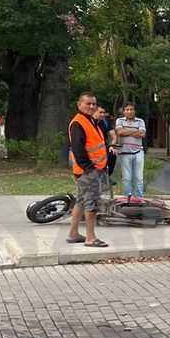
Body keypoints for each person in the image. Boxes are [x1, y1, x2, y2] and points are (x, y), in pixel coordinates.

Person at [65, 92, 110, 248]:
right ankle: (90, 238)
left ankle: (73, 234)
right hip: (87, 171)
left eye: (94, 104)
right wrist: (90, 170)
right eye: (88, 103)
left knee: (81, 201)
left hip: (92, 169)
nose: (92, 106)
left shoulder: (91, 121)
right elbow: (78, 150)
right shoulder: (78, 123)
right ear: (79, 105)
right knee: (92, 204)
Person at [114, 102, 147, 198]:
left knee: (139, 178)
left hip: (138, 152)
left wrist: (126, 131)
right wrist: (135, 130)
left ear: (134, 111)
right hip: (125, 152)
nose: (129, 112)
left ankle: (139, 198)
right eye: (127, 110)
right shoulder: (119, 121)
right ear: (124, 111)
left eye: (131, 109)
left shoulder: (140, 121)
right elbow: (119, 132)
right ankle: (126, 198)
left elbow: (142, 134)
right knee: (127, 178)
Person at [93, 105, 117, 178]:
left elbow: (114, 136)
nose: (103, 114)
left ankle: (106, 177)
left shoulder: (106, 121)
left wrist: (112, 146)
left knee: (112, 154)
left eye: (104, 112)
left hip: (103, 146)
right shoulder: (89, 122)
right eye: (100, 112)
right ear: (94, 112)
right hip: (92, 147)